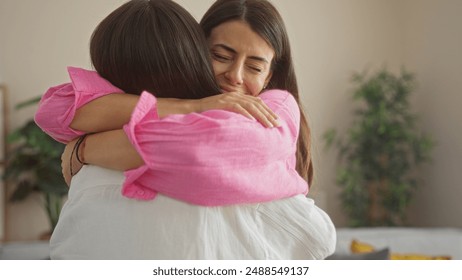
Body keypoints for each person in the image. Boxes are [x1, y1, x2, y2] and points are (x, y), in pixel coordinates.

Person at [35, 0, 335, 259]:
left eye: (255, 67)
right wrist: (188, 105)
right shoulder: (183, 106)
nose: (235, 76)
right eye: (220, 56)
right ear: (195, 49)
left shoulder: (275, 107)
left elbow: (202, 148)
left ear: (271, 76)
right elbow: (54, 108)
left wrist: (85, 148)